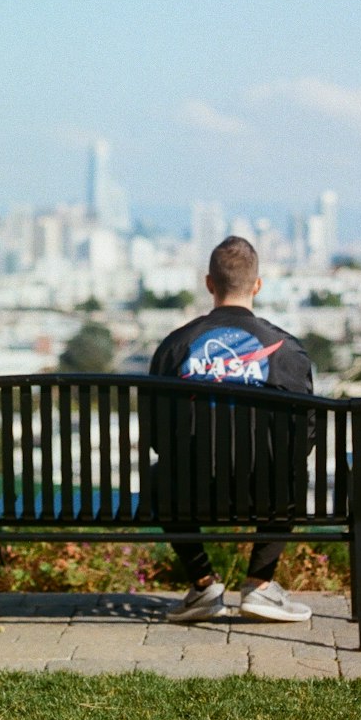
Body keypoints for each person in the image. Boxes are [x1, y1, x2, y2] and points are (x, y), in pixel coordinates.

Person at [148, 235, 314, 624]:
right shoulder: (288, 351)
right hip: (268, 488)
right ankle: (258, 584)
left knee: (161, 475)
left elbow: (158, 437)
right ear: (257, 285)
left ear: (210, 284)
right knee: (292, 470)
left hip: (190, 489)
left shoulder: (174, 347)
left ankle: (204, 583)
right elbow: (302, 439)